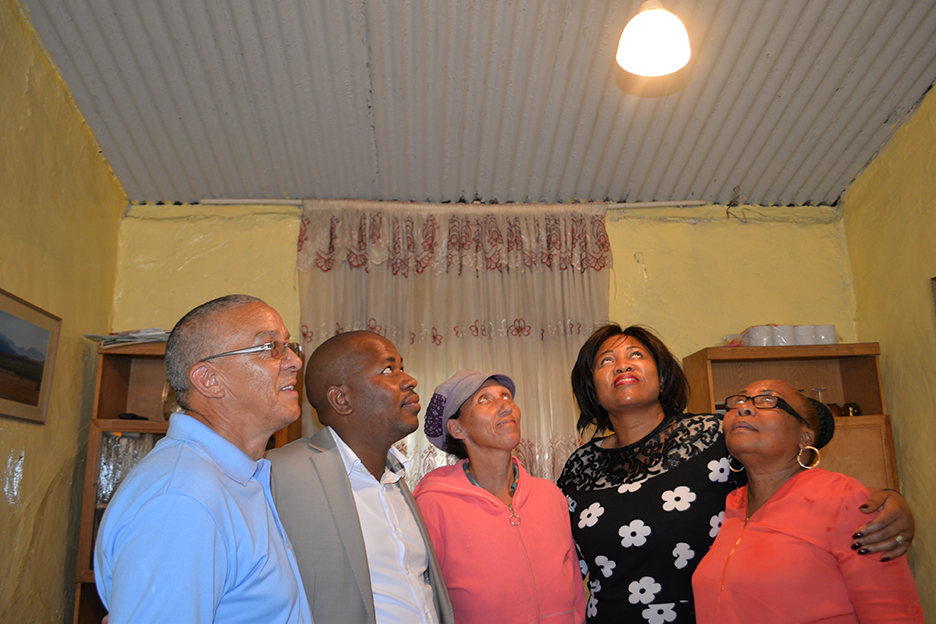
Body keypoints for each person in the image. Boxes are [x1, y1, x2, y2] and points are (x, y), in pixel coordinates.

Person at [556, 324, 915, 624]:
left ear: (662, 377)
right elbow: (561, 556)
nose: (622, 365)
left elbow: (798, 487)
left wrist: (886, 501)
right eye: (606, 361)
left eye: (636, 355)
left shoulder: (718, 434)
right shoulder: (580, 465)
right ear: (593, 391)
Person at [94, 295, 312, 623]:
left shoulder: (233, 476)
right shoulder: (184, 499)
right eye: (270, 347)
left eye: (288, 344)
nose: (295, 360)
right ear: (209, 380)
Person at [691, 380, 923, 622]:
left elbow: (893, 612)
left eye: (768, 400)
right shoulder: (729, 504)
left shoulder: (843, 498)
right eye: (740, 400)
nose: (744, 408)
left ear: (805, 437)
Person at [267, 331, 454, 624]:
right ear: (341, 399)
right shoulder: (280, 474)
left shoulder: (397, 480)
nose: (409, 380)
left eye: (402, 367)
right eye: (388, 369)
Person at [413, 370, 587, 624]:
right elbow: (424, 597)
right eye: (485, 399)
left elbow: (574, 586)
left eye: (506, 396)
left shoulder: (550, 495)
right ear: (457, 428)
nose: (505, 405)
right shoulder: (433, 503)